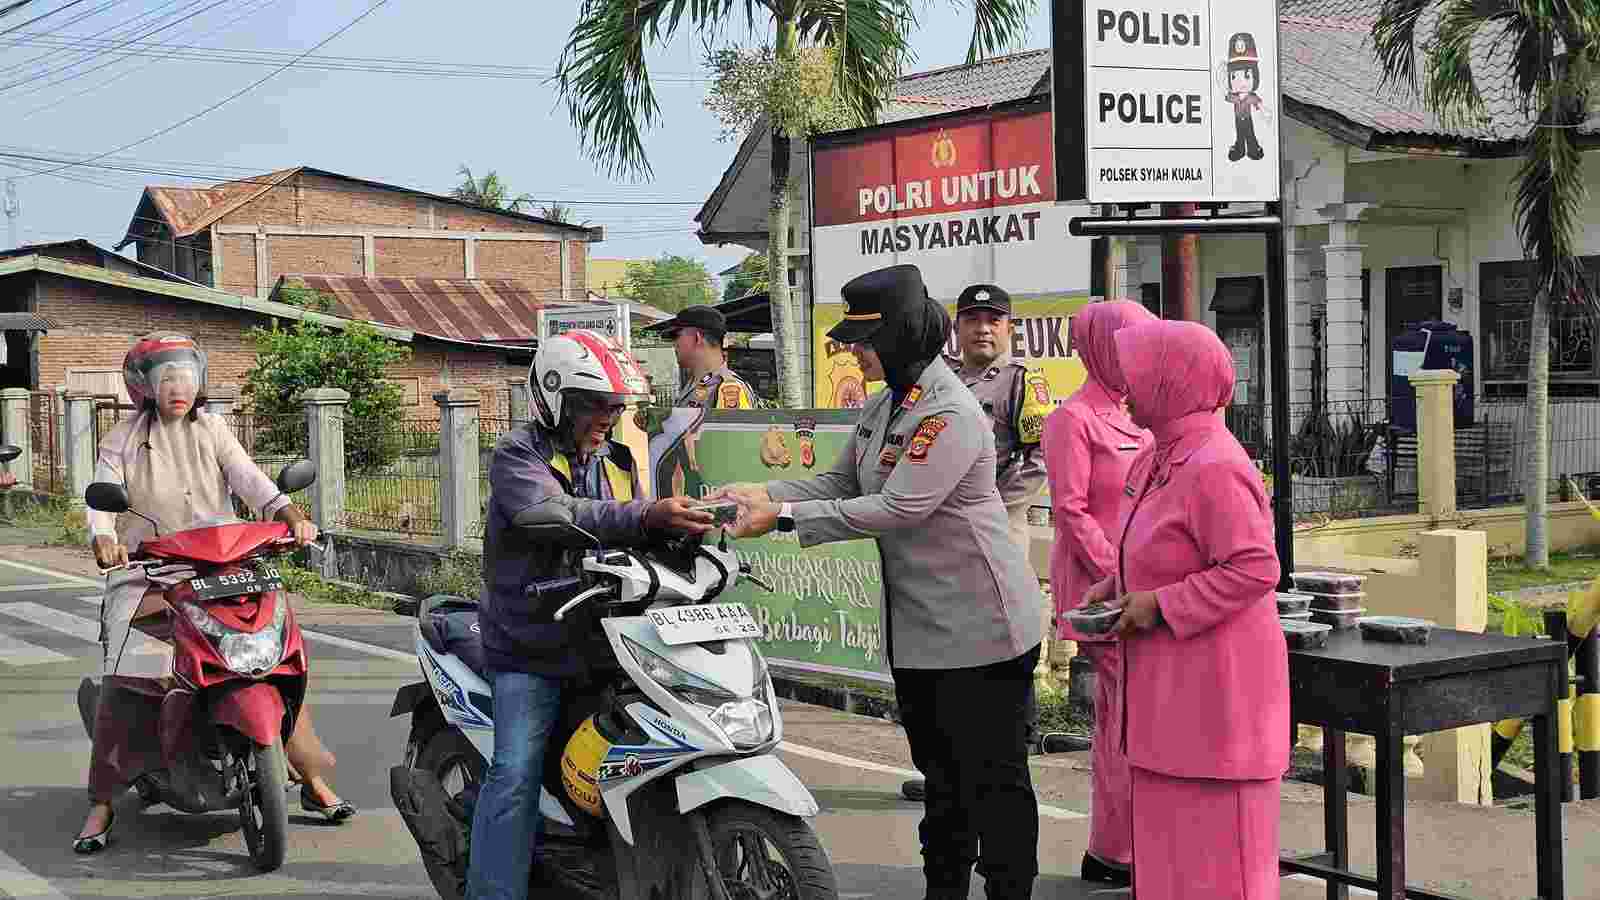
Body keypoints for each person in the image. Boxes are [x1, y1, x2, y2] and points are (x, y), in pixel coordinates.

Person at [712, 264, 1044, 900]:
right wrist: (758, 492)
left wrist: (778, 516)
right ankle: (942, 890)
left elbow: (898, 508)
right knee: (942, 781)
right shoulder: (887, 405)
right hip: (923, 634)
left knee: (995, 783)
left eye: (863, 339)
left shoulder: (949, 413)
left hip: (984, 631)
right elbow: (841, 485)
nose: (852, 350)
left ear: (897, 338)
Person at [75, 333, 347, 854]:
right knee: (128, 676)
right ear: (145, 387)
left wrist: (289, 514)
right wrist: (104, 536)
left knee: (274, 658)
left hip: (227, 566)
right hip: (151, 571)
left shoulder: (215, 428)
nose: (178, 387)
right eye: (165, 378)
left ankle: (307, 776)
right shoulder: (122, 438)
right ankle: (104, 802)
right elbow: (102, 495)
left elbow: (248, 479)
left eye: (185, 376)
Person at [469, 328, 714, 900]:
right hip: (532, 642)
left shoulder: (620, 457)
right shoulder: (518, 455)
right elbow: (552, 514)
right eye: (594, 405)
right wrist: (648, 516)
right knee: (515, 775)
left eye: (615, 407)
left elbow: (638, 523)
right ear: (556, 400)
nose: (607, 417)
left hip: (608, 636)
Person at [1089, 319, 1288, 899]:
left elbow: (1254, 567)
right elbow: (1158, 548)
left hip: (1218, 716)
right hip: (1164, 712)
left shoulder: (1216, 466)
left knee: (1223, 876)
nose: (1125, 385)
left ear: (1172, 380)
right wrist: (1114, 584)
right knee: (1169, 873)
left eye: (1139, 371)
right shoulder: (1157, 457)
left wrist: (1158, 605)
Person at [901, 283, 1053, 803]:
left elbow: (1038, 458)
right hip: (935, 529)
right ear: (957, 327)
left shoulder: (1021, 382)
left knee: (1001, 634)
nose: (982, 328)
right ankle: (943, 761)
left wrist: (990, 501)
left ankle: (1010, 746)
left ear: (1009, 327)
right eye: (971, 319)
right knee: (945, 630)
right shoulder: (934, 380)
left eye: (993, 320)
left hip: (997, 522)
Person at [1040, 299, 1157, 887]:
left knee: (1138, 718)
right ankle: (1114, 848)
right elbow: (1072, 511)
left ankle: (1132, 844)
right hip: (1102, 597)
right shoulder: (1072, 419)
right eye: (1124, 345)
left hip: (1138, 589)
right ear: (1097, 349)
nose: (1134, 356)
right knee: (1120, 722)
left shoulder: (1139, 414)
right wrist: (1123, 574)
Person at [653, 305, 757, 408]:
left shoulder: (729, 389)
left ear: (697, 338)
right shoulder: (696, 384)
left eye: (676, 336)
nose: (674, 344)